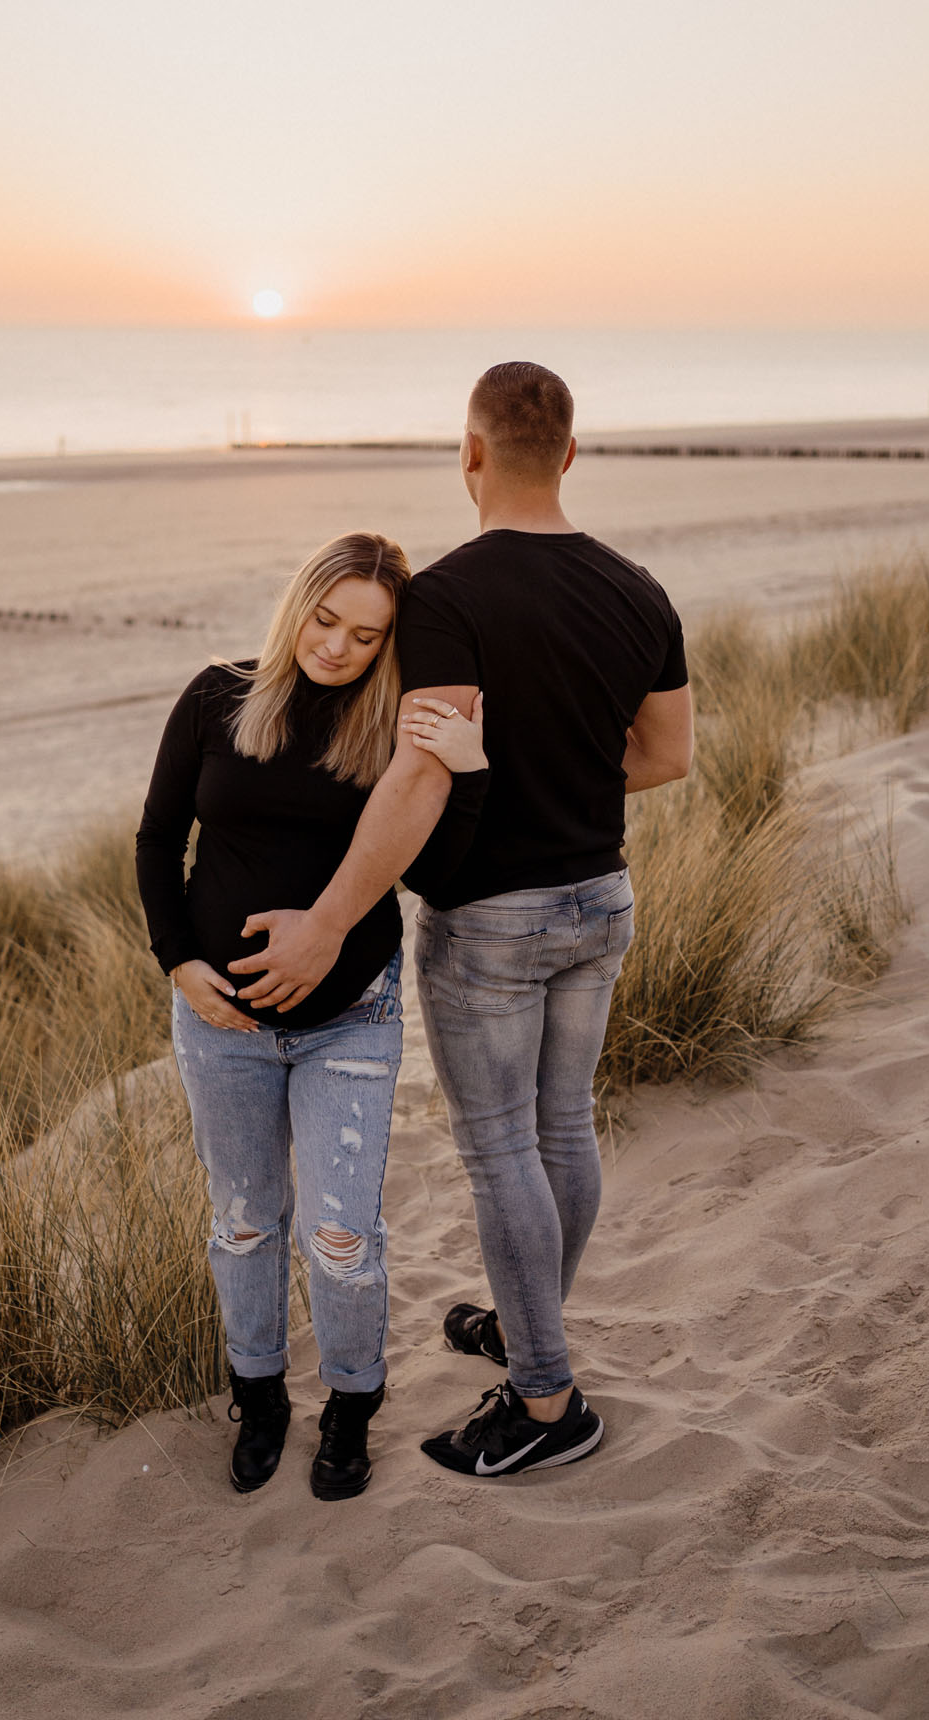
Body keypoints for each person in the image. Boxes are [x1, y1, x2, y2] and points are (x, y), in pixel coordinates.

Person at [228, 363, 692, 1480]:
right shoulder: (638, 590)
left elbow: (420, 776)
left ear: (469, 454)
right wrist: (563, 787)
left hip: (492, 919)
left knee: (499, 1154)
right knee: (561, 1132)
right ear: (569, 455)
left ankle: (542, 1401)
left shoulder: (446, 597)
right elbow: (666, 757)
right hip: (600, 900)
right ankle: (527, 1323)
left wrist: (331, 921)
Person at [135, 531, 487, 1500]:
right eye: (325, 620)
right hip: (221, 1023)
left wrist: (467, 772)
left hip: (350, 1019)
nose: (335, 647)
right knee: (244, 1223)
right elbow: (160, 837)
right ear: (298, 605)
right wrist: (177, 963)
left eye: (365, 636)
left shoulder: (394, 734)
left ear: (389, 645)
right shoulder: (218, 692)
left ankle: (348, 1407)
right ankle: (258, 1398)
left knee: (341, 1237)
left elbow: (439, 875)